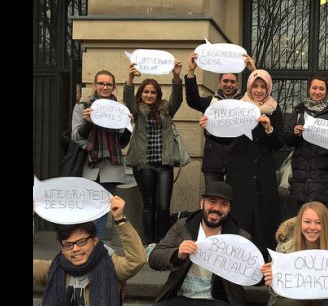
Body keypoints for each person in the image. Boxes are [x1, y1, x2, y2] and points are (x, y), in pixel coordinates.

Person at [140, 182, 250, 306]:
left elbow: (251, 272)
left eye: (223, 204)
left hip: (218, 304)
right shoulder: (183, 227)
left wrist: (264, 273)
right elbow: (156, 258)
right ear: (202, 203)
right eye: (212, 202)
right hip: (182, 301)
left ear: (229, 209)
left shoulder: (240, 237)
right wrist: (177, 254)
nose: (216, 208)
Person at [33, 196, 147, 306]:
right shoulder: (54, 269)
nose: (76, 249)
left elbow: (137, 260)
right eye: (68, 245)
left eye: (81, 242)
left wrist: (120, 220)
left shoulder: (110, 266)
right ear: (62, 249)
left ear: (95, 240)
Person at [199, 69, 284, 261]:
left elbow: (279, 143)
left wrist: (269, 128)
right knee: (241, 211)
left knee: (264, 213)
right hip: (240, 169)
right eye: (256, 86)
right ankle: (238, 257)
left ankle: (264, 257)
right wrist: (209, 130)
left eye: (263, 87)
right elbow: (225, 138)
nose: (259, 90)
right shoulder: (237, 107)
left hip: (263, 170)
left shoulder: (274, 109)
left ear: (268, 88)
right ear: (249, 87)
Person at [123, 60, 183, 245]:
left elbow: (177, 99)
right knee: (149, 205)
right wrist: (130, 78)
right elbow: (127, 100)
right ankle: (150, 244)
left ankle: (162, 241)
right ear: (141, 94)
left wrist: (176, 76)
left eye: (153, 92)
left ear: (158, 95)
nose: (149, 95)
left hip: (164, 165)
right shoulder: (137, 112)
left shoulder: (166, 110)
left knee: (163, 206)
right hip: (144, 165)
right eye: (146, 92)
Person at [71, 70, 131, 241]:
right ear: (95, 85)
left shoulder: (120, 109)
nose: (105, 87)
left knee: (104, 209)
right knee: (88, 208)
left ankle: (98, 246)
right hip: (89, 164)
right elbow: (76, 136)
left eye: (109, 84)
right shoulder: (82, 106)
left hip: (111, 166)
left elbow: (122, 143)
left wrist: (128, 127)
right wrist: (88, 123)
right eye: (101, 83)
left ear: (113, 87)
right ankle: (86, 244)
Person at [184, 52, 257, 185]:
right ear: (219, 83)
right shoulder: (210, 102)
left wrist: (254, 70)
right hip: (214, 161)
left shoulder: (245, 103)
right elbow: (192, 100)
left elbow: (260, 94)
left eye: (232, 82)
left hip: (238, 160)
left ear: (237, 84)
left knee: (236, 201)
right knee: (213, 200)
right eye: (225, 81)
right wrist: (191, 71)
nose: (228, 84)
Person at [284, 76, 328, 209]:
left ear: (326, 92)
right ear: (309, 90)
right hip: (301, 177)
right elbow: (287, 139)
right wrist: (294, 133)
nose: (317, 92)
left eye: (321, 89)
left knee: (322, 219)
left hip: (324, 177)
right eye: (314, 88)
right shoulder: (298, 111)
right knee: (303, 218)